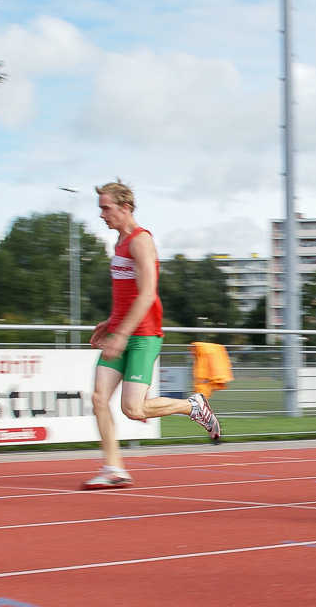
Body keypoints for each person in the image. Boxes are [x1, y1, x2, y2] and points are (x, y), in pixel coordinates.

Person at [83, 180, 220, 490]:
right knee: (98, 398)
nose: (101, 214)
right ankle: (113, 467)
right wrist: (110, 323)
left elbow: (147, 295)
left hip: (143, 335)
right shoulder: (118, 243)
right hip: (121, 329)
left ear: (125, 207)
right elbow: (126, 293)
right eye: (100, 208)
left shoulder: (140, 240)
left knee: (133, 409)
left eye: (106, 208)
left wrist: (122, 335)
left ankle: (193, 406)